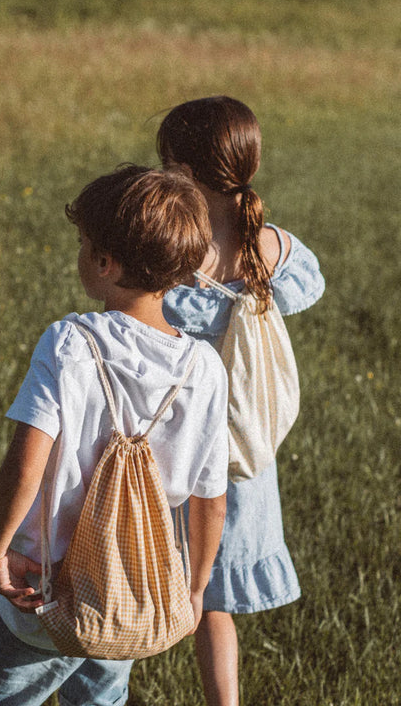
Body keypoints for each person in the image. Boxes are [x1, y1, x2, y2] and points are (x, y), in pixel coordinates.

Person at [0, 165, 229, 706]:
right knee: (100, 697)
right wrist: (195, 588)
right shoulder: (204, 368)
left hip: (43, 583)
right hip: (129, 583)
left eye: (83, 244)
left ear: (105, 262)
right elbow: (210, 499)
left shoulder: (70, 343)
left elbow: (26, 463)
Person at [157, 96, 325, 706]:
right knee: (215, 598)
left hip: (175, 447)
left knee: (143, 572)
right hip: (245, 450)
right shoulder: (272, 248)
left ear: (186, 171)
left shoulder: (178, 254)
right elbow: (310, 283)